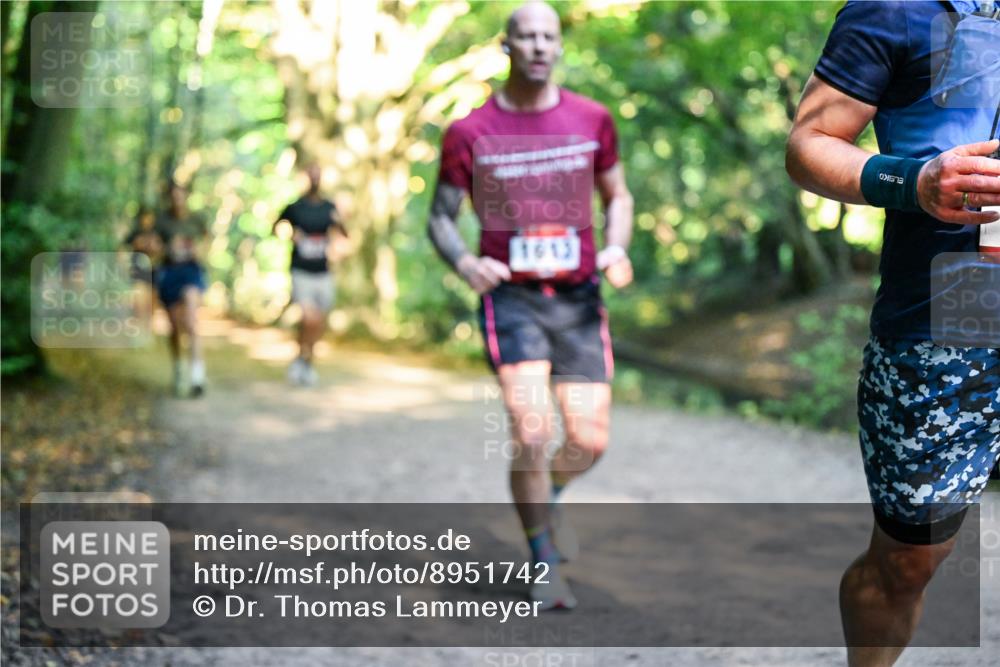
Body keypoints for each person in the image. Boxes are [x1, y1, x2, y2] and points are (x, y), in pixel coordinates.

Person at [786, 2, 1000, 665]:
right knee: (909, 558)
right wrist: (914, 180)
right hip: (946, 322)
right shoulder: (894, 9)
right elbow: (808, 144)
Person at [428, 1, 634, 610]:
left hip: (576, 296)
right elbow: (440, 217)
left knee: (589, 441)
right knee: (531, 428)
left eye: (550, 36)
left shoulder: (591, 119)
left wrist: (616, 245)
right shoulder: (470, 132)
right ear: (506, 46)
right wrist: (466, 262)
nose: (540, 45)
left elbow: (617, 194)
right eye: (527, 36)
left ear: (559, 46)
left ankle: (553, 494)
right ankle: (543, 557)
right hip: (511, 297)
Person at [273, 164, 348, 386]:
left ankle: (306, 361)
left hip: (323, 272)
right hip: (301, 270)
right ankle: (301, 359)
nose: (315, 179)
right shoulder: (295, 207)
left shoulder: (329, 207)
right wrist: (290, 235)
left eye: (318, 175)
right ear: (306, 178)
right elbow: (276, 227)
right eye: (312, 175)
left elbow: (344, 233)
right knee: (309, 318)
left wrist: (339, 230)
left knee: (318, 322)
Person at [155, 180, 209, 398]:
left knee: (192, 321)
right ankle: (179, 367)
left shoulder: (197, 220)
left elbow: (207, 241)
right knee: (175, 327)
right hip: (169, 273)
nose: (177, 199)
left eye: (181, 195)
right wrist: (167, 248)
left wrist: (198, 250)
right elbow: (154, 249)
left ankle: (197, 375)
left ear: (186, 196)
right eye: (173, 196)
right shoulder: (161, 221)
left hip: (191, 272)